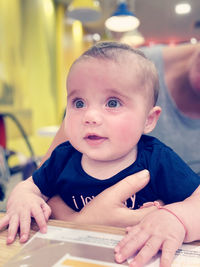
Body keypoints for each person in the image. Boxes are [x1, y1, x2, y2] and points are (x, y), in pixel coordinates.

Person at [1, 42, 200, 267]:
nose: (90, 116)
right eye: (78, 103)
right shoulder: (63, 157)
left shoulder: (158, 159)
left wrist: (178, 218)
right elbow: (30, 186)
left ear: (148, 120)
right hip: (73, 255)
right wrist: (24, 199)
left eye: (112, 103)